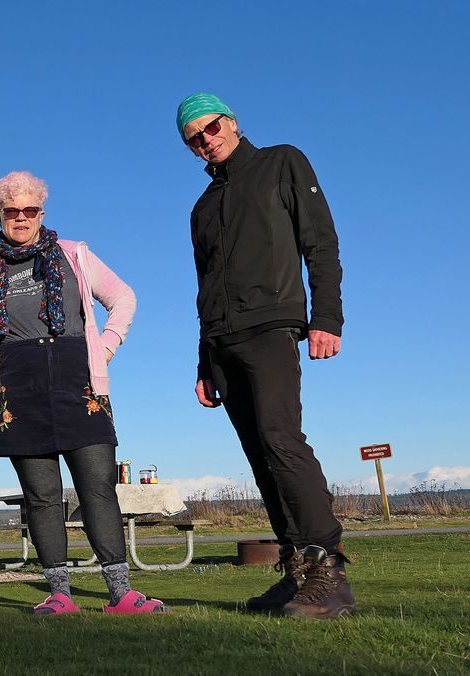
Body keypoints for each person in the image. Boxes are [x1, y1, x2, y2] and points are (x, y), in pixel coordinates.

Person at [0, 171, 164, 615]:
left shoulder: (74, 255)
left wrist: (108, 344)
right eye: (11, 212)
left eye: (30, 211)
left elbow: (124, 298)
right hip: (18, 394)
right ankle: (60, 595)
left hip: (80, 387)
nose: (21, 219)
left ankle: (122, 594)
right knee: (42, 498)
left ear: (42, 213)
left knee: (98, 489)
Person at [176, 93, 355, 619]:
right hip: (222, 342)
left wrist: (327, 318)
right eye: (193, 139)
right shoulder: (202, 208)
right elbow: (204, 287)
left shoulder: (282, 161)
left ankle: (330, 572)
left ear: (230, 121)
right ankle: (296, 571)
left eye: (210, 128)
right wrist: (203, 362)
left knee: (282, 440)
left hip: (271, 327)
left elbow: (320, 242)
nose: (205, 140)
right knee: (260, 457)